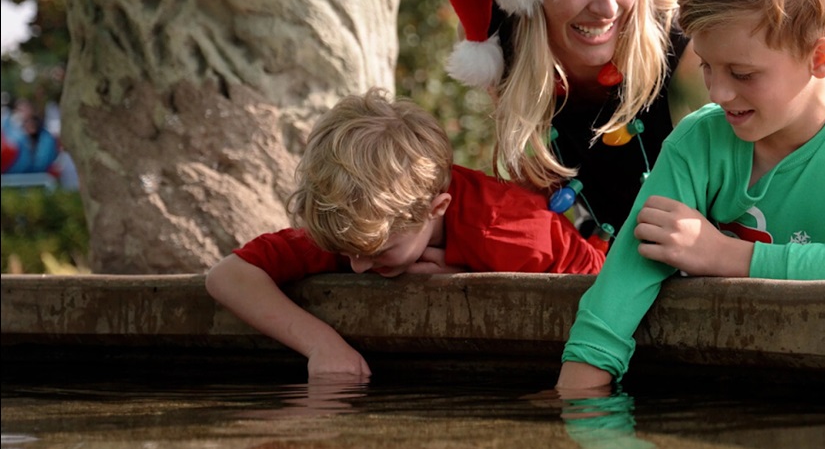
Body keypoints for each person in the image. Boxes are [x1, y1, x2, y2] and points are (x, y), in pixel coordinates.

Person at [553, 0, 825, 393]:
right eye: (708, 67)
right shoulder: (698, 140)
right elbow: (615, 300)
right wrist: (575, 405)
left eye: (743, 74)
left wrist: (723, 254)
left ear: (819, 58)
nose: (719, 94)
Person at [205, 88, 605, 379]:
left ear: (437, 209)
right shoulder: (354, 226)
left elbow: (599, 280)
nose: (357, 268)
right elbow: (227, 276)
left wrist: (474, 279)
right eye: (349, 252)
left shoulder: (508, 232)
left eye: (378, 252)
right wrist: (321, 344)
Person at [438, 0, 693, 248]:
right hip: (603, 262)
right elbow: (534, 203)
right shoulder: (511, 54)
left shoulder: (688, 48)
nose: (607, 6)